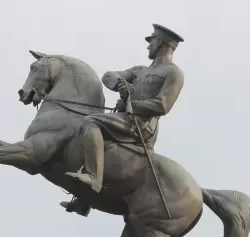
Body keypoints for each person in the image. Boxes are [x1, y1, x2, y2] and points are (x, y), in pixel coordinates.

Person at [60, 23, 186, 217]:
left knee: (91, 122)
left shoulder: (173, 73)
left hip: (142, 126)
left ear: (160, 42)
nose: (148, 45)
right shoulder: (139, 70)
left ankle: (93, 177)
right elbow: (108, 75)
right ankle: (84, 200)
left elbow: (163, 106)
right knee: (94, 142)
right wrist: (120, 83)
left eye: (151, 40)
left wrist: (130, 105)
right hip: (124, 120)